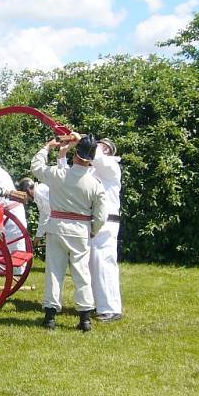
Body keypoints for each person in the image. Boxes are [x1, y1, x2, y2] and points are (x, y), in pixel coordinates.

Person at [31, 134, 106, 331]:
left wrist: (47, 147)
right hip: (81, 230)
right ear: (90, 160)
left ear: (76, 156)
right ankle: (85, 319)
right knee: (82, 273)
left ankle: (50, 317)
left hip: (57, 227)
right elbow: (101, 215)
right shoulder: (95, 184)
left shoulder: (59, 174)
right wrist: (92, 231)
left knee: (54, 272)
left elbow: (37, 168)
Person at [90, 138, 123, 322]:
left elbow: (98, 158)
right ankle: (100, 304)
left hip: (107, 222)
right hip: (96, 222)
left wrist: (85, 142)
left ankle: (111, 308)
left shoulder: (110, 165)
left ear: (108, 151)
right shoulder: (95, 168)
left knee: (104, 265)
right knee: (94, 265)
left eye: (101, 146)